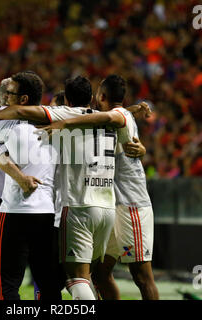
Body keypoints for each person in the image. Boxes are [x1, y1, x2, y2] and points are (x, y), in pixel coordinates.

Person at [0, 75, 118, 300]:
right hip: (107, 206)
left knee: (76, 278)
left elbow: (19, 113)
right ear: (93, 98)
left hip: (76, 207)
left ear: (66, 100)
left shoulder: (63, 116)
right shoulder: (110, 118)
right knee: (92, 277)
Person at [40, 74, 158, 300]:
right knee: (101, 274)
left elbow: (111, 116)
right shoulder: (113, 116)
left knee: (142, 276)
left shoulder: (117, 115)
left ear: (101, 96)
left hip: (132, 204)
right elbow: (101, 116)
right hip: (112, 204)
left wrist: (64, 121)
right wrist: (135, 110)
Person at [0, 71, 63, 300]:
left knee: (6, 285)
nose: (5, 98)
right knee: (48, 284)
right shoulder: (58, 120)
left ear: (23, 100)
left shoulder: (8, 124)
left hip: (14, 211)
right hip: (46, 212)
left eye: (10, 93)